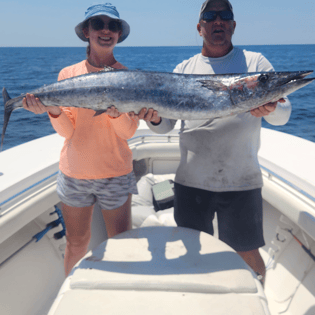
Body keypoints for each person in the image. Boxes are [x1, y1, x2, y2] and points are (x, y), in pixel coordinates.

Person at [144, 0, 292, 285]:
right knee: (191, 252)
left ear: (233, 25)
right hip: (191, 181)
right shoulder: (184, 68)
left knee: (247, 253)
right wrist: (152, 118)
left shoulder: (256, 64)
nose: (218, 21)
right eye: (210, 16)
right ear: (200, 28)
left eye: (225, 15)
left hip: (242, 179)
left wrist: (273, 108)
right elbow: (165, 126)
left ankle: (257, 300)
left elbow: (284, 114)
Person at [22, 3, 147, 276]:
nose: (106, 30)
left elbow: (127, 133)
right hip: (74, 174)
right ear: (87, 32)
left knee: (121, 245)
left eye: (112, 25)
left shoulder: (130, 78)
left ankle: (120, 296)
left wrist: (116, 115)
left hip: (115, 172)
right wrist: (53, 109)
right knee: (76, 243)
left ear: (118, 34)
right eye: (98, 24)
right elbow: (69, 132)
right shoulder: (68, 75)